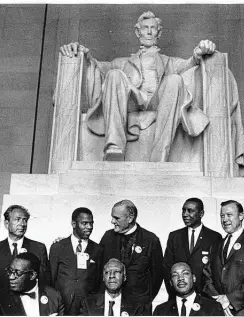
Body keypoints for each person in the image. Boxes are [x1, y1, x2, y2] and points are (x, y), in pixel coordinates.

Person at [60, 11, 217, 162]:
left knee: (175, 80)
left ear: (159, 33)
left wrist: (199, 51)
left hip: (160, 101)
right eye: (145, 28)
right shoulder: (120, 63)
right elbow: (95, 67)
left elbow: (190, 63)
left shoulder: (170, 62)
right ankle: (114, 145)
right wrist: (82, 54)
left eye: (153, 28)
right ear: (138, 32)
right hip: (132, 101)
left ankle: (160, 154)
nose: (149, 32)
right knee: (114, 74)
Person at [203, 200, 244, 316]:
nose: (224, 220)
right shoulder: (215, 245)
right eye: (222, 216)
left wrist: (230, 299)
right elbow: (207, 276)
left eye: (229, 215)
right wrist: (219, 301)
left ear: (241, 216)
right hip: (217, 310)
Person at [99, 199, 163, 304]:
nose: (112, 221)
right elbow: (100, 270)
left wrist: (146, 300)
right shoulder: (108, 237)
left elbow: (157, 276)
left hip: (139, 305)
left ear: (130, 218)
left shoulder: (151, 240)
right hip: (112, 303)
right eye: (112, 217)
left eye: (116, 218)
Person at [49, 207, 103, 315]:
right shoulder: (58, 247)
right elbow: (51, 278)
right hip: (61, 305)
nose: (89, 227)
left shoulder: (98, 250)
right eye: (84, 223)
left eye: (91, 223)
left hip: (86, 307)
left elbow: (99, 282)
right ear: (74, 224)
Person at [163, 198, 222, 296]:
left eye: (190, 211)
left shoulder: (214, 237)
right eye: (183, 210)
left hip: (205, 298)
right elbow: (167, 268)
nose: (185, 214)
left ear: (201, 213)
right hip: (179, 297)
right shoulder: (175, 236)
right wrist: (174, 294)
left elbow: (215, 271)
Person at [0, 204, 50, 290]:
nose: (22, 224)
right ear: (6, 223)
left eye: (25, 220)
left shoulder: (38, 248)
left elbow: (43, 281)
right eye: (17, 219)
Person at [80, 258, 152, 315]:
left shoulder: (137, 307)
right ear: (103, 278)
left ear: (124, 277)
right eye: (107, 272)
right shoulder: (88, 304)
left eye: (117, 271)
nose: (111, 276)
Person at [0, 252, 64, 316]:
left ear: (32, 275)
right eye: (10, 271)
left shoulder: (54, 296)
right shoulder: (2, 298)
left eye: (18, 273)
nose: (11, 277)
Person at [153, 262, 223, 316]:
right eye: (175, 275)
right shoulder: (160, 311)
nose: (180, 278)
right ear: (171, 282)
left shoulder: (213, 307)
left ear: (194, 278)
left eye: (185, 273)